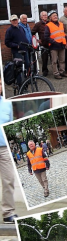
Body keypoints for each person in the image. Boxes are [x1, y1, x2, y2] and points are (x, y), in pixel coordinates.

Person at [0, 94, 16, 224]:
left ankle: (8, 213)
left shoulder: (7, 103)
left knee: (9, 179)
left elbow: (9, 123)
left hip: (4, 148)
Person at [44, 10, 67, 80]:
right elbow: (46, 37)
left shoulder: (61, 24)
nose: (55, 17)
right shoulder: (48, 26)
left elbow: (63, 34)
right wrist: (53, 41)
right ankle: (56, 73)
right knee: (54, 61)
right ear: (50, 18)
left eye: (56, 15)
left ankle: (62, 71)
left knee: (62, 60)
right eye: (53, 16)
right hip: (54, 46)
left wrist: (66, 42)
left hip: (62, 45)